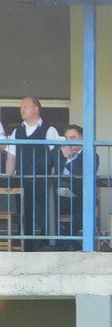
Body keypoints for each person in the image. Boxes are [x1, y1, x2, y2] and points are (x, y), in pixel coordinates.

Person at [4, 96, 59, 251]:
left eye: (25, 106)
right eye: (21, 107)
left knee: (44, 214)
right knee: (24, 215)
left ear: (36, 109)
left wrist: (53, 179)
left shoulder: (49, 130)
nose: (21, 110)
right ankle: (26, 248)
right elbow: (11, 157)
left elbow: (55, 157)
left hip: (43, 182)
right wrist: (9, 179)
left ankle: (47, 246)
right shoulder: (17, 131)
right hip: (22, 181)